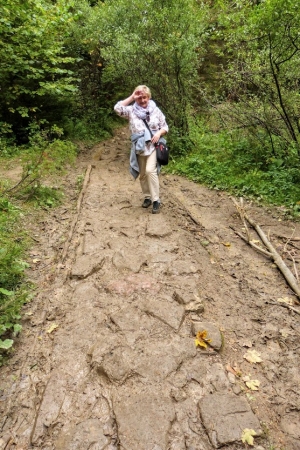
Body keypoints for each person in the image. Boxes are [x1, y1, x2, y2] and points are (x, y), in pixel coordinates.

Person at [114, 85, 168, 214]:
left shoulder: (156, 110)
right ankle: (147, 197)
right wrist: (132, 97)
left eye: (145, 97)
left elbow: (165, 127)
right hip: (139, 148)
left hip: (153, 146)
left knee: (150, 171)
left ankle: (156, 200)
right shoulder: (131, 110)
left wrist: (158, 134)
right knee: (142, 174)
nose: (143, 100)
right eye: (140, 98)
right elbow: (117, 108)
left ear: (149, 97)